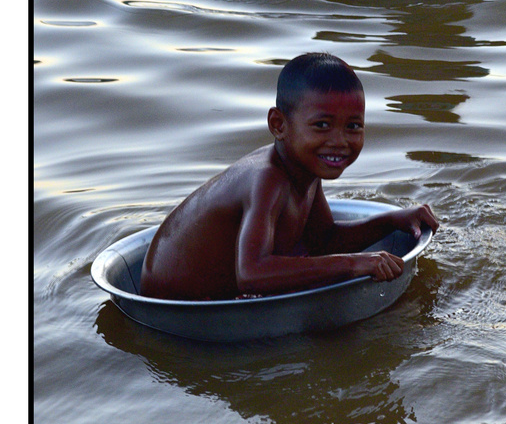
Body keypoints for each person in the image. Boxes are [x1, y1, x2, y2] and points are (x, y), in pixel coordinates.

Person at [140, 53, 439, 300]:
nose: (339, 141)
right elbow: (251, 275)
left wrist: (391, 221)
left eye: (353, 126)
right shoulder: (268, 180)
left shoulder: (304, 168)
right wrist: (353, 264)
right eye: (322, 125)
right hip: (177, 309)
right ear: (279, 124)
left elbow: (323, 241)